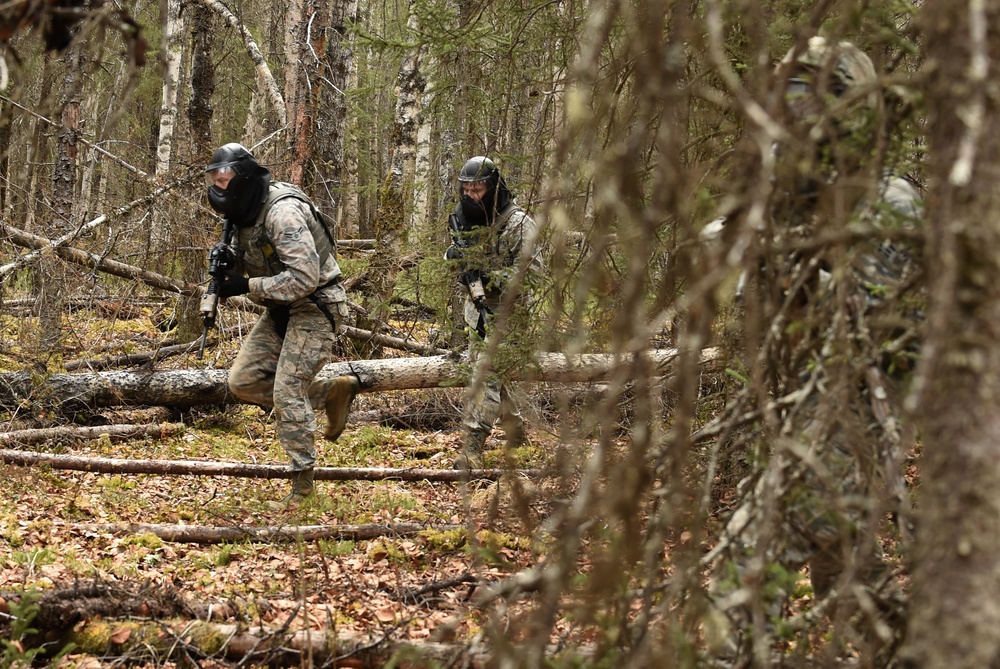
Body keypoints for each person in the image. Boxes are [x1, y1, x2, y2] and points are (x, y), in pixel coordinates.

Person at [703, 38, 923, 662]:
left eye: (811, 97)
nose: (797, 114)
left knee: (753, 551)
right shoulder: (806, 191)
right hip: (817, 404)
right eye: (789, 98)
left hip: (864, 410)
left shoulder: (890, 201)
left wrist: (765, 265)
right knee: (848, 571)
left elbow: (864, 322)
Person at [205, 142, 360, 508]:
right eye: (214, 178)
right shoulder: (243, 212)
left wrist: (245, 286)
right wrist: (229, 268)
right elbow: (260, 261)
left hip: (316, 307)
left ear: (242, 179)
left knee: (287, 391)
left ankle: (303, 489)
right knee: (242, 381)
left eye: (224, 178)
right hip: (280, 309)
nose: (218, 185)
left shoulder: (282, 214)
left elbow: (304, 278)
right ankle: (331, 393)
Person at [444, 156, 542, 468]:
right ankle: (515, 429)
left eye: (479, 189)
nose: (472, 195)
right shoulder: (464, 218)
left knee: (486, 374)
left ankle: (471, 450)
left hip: (508, 315)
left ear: (493, 187)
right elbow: (458, 255)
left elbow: (533, 273)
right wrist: (456, 259)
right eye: (467, 189)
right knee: (491, 376)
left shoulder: (519, 223)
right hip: (474, 312)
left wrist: (492, 278)